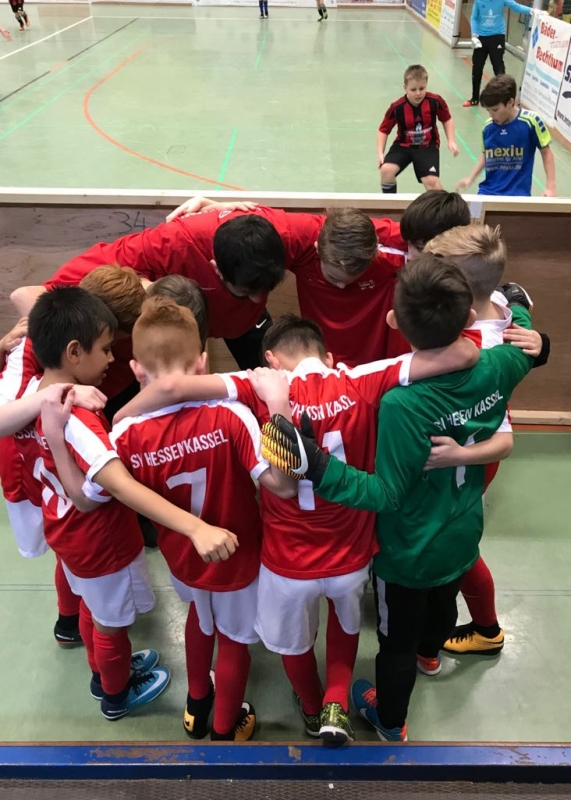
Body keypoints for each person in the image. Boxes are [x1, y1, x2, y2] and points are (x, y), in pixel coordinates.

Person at [112, 313, 479, 744]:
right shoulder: (360, 379)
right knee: (344, 624)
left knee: (290, 642)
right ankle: (336, 703)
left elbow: (171, 387)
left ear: (270, 360)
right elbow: (460, 355)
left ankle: (309, 705)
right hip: (349, 553)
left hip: (286, 561)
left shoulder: (254, 387)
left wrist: (120, 416)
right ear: (329, 357)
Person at [260, 254, 539, 742]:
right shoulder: (502, 363)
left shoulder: (401, 404)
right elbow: (524, 342)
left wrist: (319, 466)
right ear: (468, 317)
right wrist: (517, 307)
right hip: (462, 527)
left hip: (409, 549)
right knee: (444, 604)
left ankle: (390, 721)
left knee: (395, 645)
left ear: (394, 320)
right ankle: (431, 656)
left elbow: (385, 493)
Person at [22, 287, 239, 719]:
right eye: (105, 349)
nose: (111, 359)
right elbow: (118, 487)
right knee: (111, 624)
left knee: (91, 607)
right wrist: (196, 527)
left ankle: (101, 672)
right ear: (74, 352)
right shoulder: (79, 422)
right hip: (100, 543)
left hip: (63, 530)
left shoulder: (34, 393)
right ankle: (115, 695)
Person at [110, 297, 295, 740]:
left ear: (136, 370)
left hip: (183, 559)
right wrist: (281, 408)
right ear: (203, 362)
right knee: (233, 640)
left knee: (199, 615)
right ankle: (226, 728)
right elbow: (283, 485)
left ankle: (196, 707)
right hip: (237, 558)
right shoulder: (231, 415)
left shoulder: (123, 434)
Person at [423, 224, 546, 656]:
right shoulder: (505, 307)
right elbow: (518, 302)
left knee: (456, 544)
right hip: (475, 441)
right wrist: (532, 328)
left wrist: (458, 455)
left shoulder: (466, 351)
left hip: (468, 452)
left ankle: (487, 628)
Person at [457, 75, 556, 197]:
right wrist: (470, 178)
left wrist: (550, 187)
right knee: (473, 209)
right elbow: (486, 155)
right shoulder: (488, 127)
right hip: (486, 192)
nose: (491, 115)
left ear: (510, 102)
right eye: (488, 111)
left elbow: (546, 153)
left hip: (517, 196)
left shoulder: (532, 121)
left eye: (495, 110)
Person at [377, 65, 459, 194]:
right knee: (386, 170)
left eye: (422, 88)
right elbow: (383, 130)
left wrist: (451, 140)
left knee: (431, 181)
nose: (418, 93)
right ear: (405, 88)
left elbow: (447, 119)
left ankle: (445, 205)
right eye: (413, 89)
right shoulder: (397, 107)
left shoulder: (435, 101)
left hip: (427, 146)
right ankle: (390, 202)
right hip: (403, 146)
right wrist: (380, 153)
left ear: (426, 85)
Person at [462, 0, 532, 108]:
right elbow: (474, 18)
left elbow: (516, 7)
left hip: (497, 36)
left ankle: (506, 100)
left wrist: (532, 11)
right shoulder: (479, 1)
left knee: (499, 69)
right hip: (481, 37)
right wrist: (474, 35)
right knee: (477, 68)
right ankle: (475, 99)